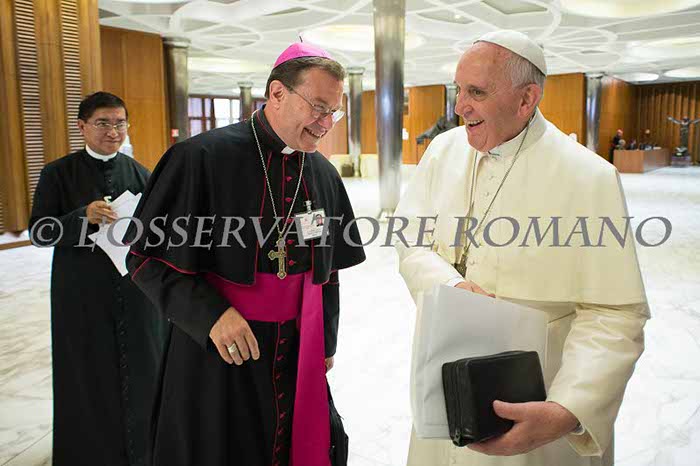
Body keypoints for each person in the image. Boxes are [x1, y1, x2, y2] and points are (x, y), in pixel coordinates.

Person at [394, 30, 648, 466]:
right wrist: (450, 286)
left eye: (476, 92)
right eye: (458, 90)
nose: (459, 107)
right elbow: (410, 240)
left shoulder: (589, 177)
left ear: (526, 99)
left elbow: (615, 314)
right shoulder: (442, 151)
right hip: (446, 370)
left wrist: (568, 408)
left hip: (537, 396)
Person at [125, 43, 366, 466]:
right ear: (277, 93)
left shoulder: (323, 174)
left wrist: (325, 339)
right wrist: (211, 315)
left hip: (296, 350)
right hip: (218, 353)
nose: (327, 123)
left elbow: (328, 273)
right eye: (318, 108)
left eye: (334, 112)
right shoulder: (200, 158)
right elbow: (146, 259)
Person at [28, 92, 166, 466]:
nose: (113, 131)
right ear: (82, 126)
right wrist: (81, 217)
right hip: (81, 292)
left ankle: (143, 451)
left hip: (134, 292)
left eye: (120, 123)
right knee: (87, 372)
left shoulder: (142, 174)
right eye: (103, 123)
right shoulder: (57, 173)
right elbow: (39, 232)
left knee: (143, 369)